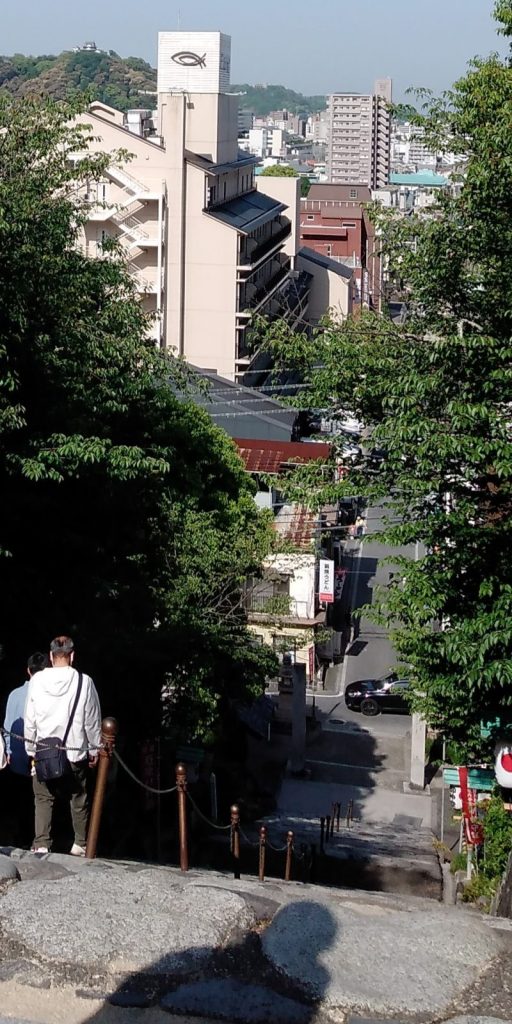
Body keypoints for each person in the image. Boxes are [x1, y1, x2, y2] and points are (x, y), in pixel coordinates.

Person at [24, 635, 102, 856]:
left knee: (43, 797)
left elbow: (30, 718)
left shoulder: (37, 681)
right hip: (74, 749)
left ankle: (42, 843)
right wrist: (94, 748)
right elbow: (92, 719)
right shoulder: (84, 681)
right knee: (78, 796)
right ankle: (80, 842)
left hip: (44, 750)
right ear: (72, 655)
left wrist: (31, 750)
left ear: (50, 656)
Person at [3, 651, 48, 847]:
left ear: (28, 671)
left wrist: (7, 752)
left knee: (19, 802)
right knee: (40, 800)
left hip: (17, 757)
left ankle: (18, 837)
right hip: (41, 757)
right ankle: (37, 839)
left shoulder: (14, 694)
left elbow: (7, 725)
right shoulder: (47, 694)